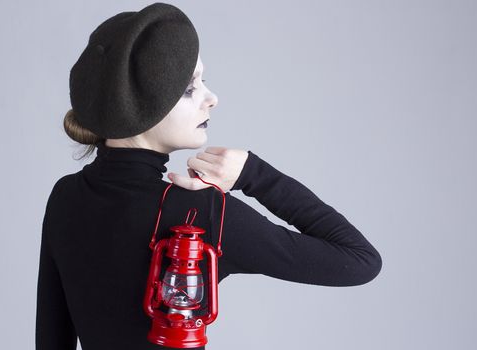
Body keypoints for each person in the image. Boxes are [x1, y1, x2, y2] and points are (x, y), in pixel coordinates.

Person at [36, 3, 382, 350]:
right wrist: (253, 173)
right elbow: (359, 261)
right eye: (190, 88)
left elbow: (51, 337)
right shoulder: (198, 212)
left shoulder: (65, 197)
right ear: (142, 109)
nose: (211, 99)